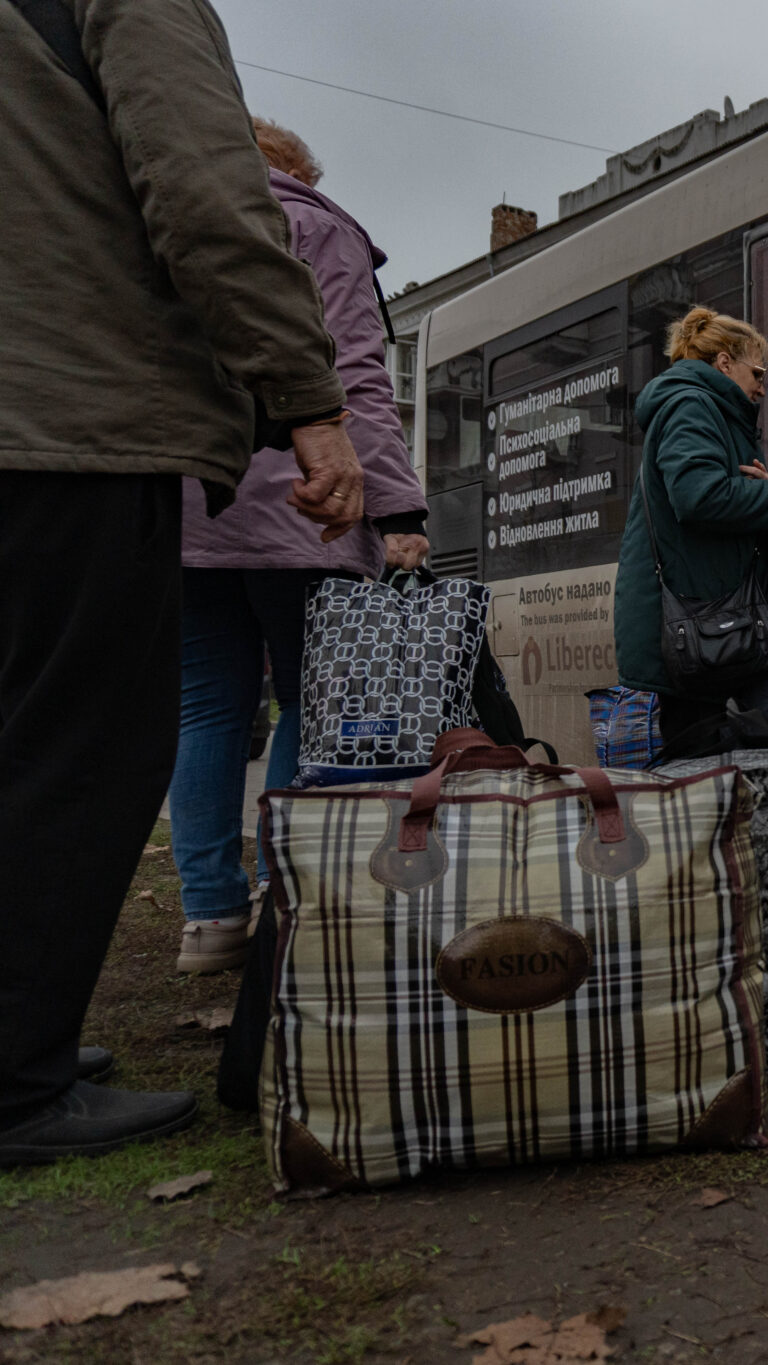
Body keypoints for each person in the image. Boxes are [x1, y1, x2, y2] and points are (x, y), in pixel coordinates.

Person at [0, 0, 364, 1166]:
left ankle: (30, 1032)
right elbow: (205, 195)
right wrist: (308, 404)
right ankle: (15, 1081)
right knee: (82, 741)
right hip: (66, 418)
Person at [170, 119, 430, 975]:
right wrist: (398, 509)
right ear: (291, 170)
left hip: (191, 508)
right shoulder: (315, 226)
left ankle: (209, 915)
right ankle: (286, 900)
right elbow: (355, 379)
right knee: (308, 705)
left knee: (206, 708)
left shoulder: (168, 218)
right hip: (304, 508)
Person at [614, 307, 768, 746]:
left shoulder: (705, 407)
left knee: (714, 759)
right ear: (724, 363)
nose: (762, 387)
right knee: (701, 763)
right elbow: (698, 496)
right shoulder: (692, 406)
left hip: (712, 624)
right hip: (699, 627)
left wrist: (763, 496)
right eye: (757, 373)